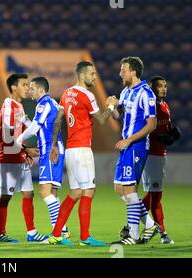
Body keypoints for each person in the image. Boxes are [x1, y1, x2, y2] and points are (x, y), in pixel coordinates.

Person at [48, 61, 116, 246]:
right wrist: (110, 106)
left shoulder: (66, 93)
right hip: (82, 150)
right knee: (88, 191)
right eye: (92, 73)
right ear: (82, 75)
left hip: (70, 150)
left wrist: (54, 144)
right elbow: (102, 120)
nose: (95, 76)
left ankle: (56, 234)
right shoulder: (87, 95)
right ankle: (85, 237)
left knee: (76, 191)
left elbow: (58, 120)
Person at [111, 57, 160, 245]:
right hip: (126, 146)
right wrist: (114, 106)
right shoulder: (125, 91)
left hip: (136, 146)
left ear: (133, 72)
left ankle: (133, 235)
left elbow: (152, 124)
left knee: (130, 189)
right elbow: (118, 116)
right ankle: (149, 224)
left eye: (123, 70)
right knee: (119, 189)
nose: (120, 73)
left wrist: (129, 140)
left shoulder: (146, 94)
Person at [15, 77, 67, 243]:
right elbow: (41, 127)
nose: (30, 91)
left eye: (32, 88)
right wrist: (25, 121)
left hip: (50, 151)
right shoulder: (51, 103)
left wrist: (19, 139)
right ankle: (60, 232)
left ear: (40, 90)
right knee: (52, 192)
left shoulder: (43, 103)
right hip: (56, 149)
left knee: (44, 191)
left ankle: (60, 231)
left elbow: (36, 128)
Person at [0, 73, 42, 243]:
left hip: (19, 156)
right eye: (24, 85)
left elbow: (29, 127)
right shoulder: (8, 106)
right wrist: (27, 149)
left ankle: (31, 232)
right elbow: (7, 136)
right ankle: (1, 234)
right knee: (6, 197)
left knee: (28, 193)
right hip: (8, 158)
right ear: (14, 87)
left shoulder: (19, 107)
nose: (27, 88)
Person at [140, 76, 180, 244]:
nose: (164, 89)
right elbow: (146, 129)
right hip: (151, 156)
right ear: (153, 88)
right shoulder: (151, 107)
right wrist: (158, 137)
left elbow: (165, 128)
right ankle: (162, 232)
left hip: (160, 155)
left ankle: (130, 224)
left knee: (152, 196)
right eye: (160, 86)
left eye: (165, 86)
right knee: (156, 197)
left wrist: (170, 134)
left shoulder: (164, 105)